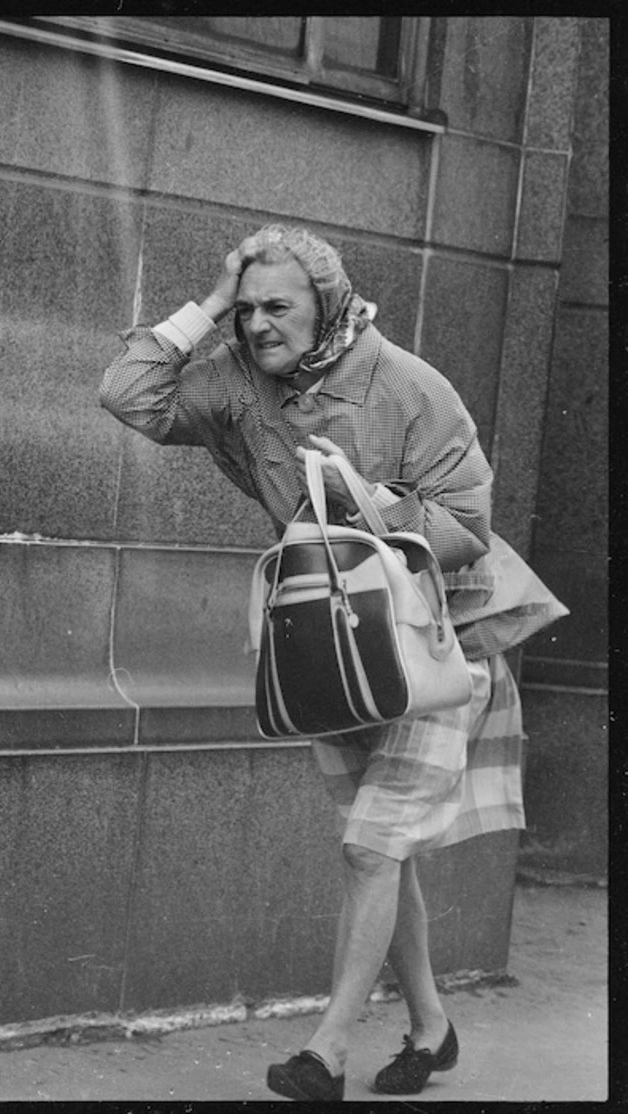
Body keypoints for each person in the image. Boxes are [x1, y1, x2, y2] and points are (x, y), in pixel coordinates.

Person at [99, 224, 566, 1101]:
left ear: (329, 304)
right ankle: (432, 1027)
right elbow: (128, 394)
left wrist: (375, 503)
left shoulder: (407, 384)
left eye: (279, 306)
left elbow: (468, 524)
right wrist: (205, 306)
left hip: (436, 644)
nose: (260, 325)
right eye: (247, 310)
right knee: (380, 857)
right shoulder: (239, 384)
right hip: (332, 644)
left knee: (369, 848)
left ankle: (328, 1051)